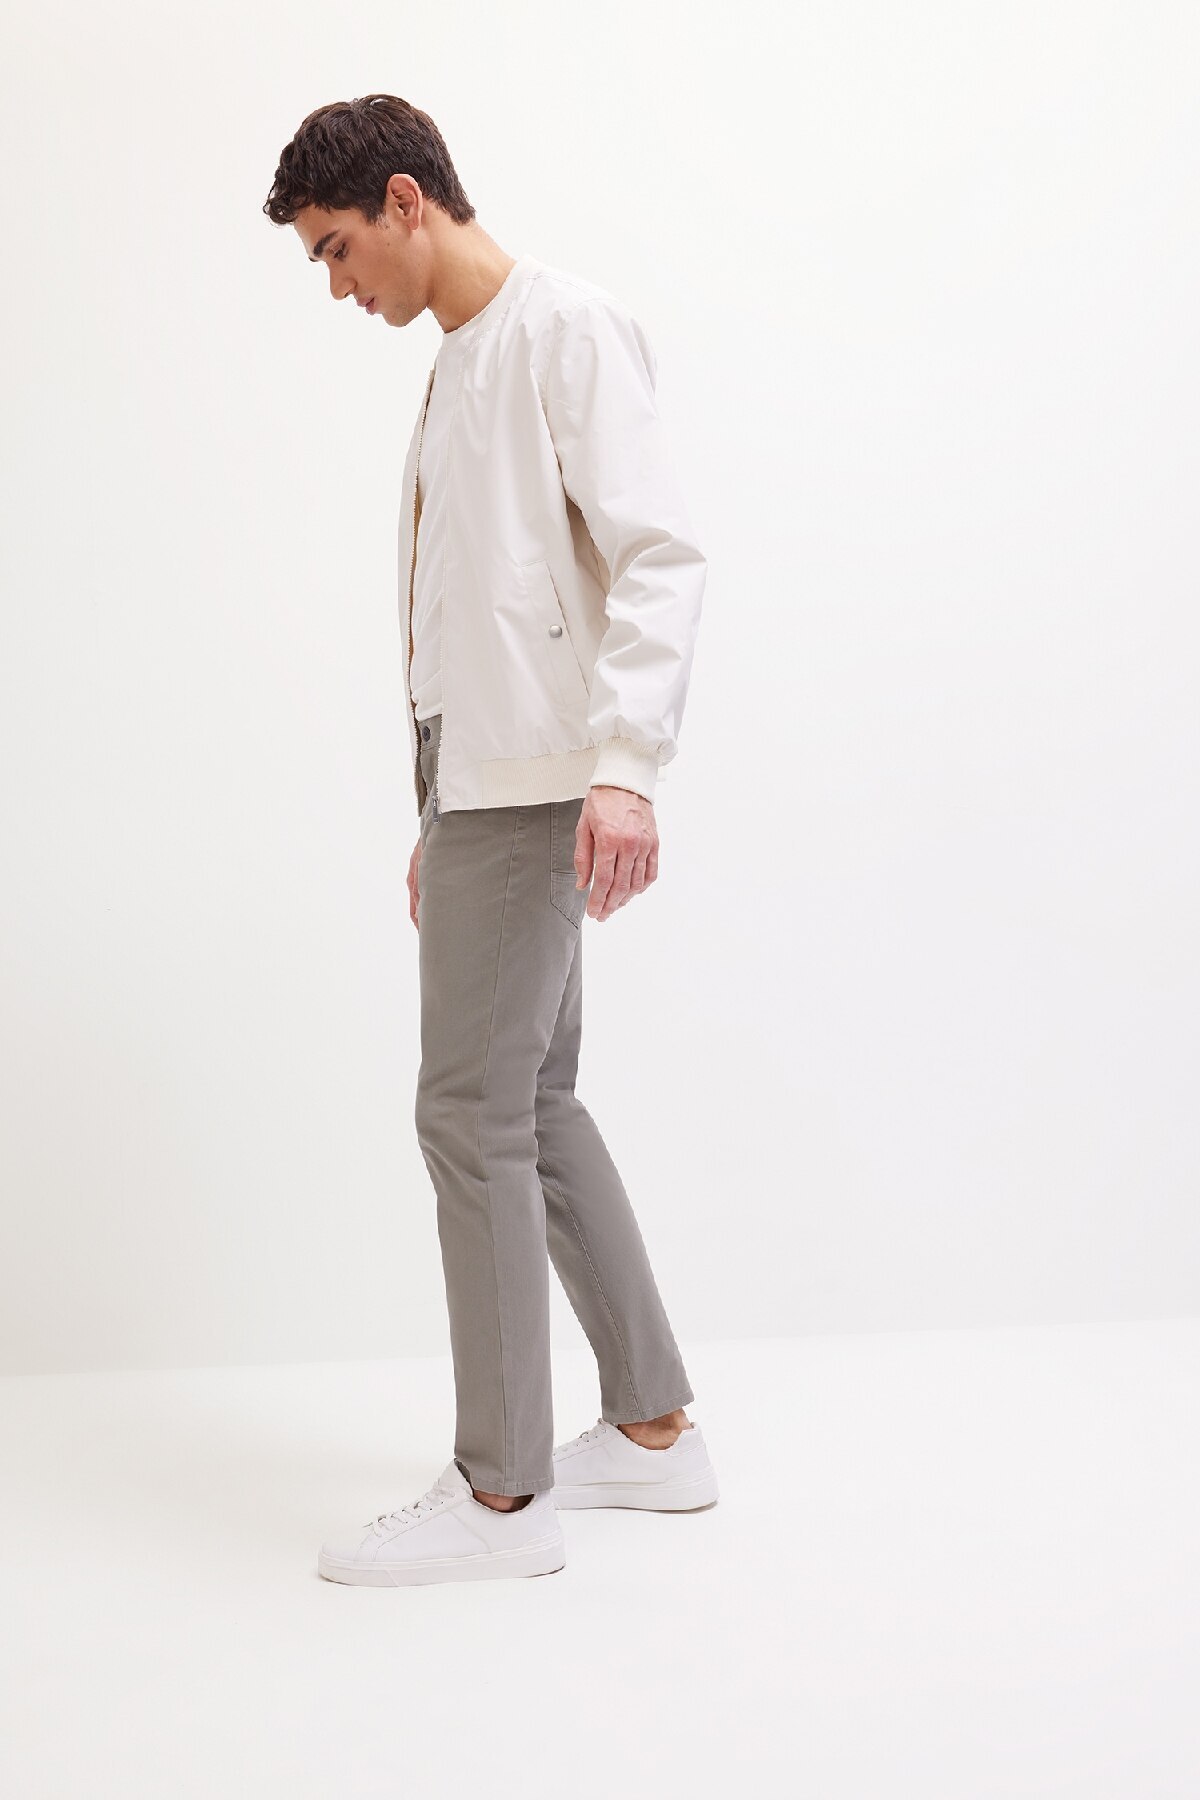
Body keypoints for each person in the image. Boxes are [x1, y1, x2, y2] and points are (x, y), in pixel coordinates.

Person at [263, 94, 719, 1587]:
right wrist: (439, 800)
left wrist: (628, 770)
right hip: (489, 784)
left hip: (543, 783)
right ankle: (652, 1427)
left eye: (338, 249)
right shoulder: (463, 358)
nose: (338, 285)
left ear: (406, 200)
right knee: (531, 1101)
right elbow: (471, 613)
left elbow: (657, 554)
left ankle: (503, 1497)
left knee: (468, 1112)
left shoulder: (562, 330)